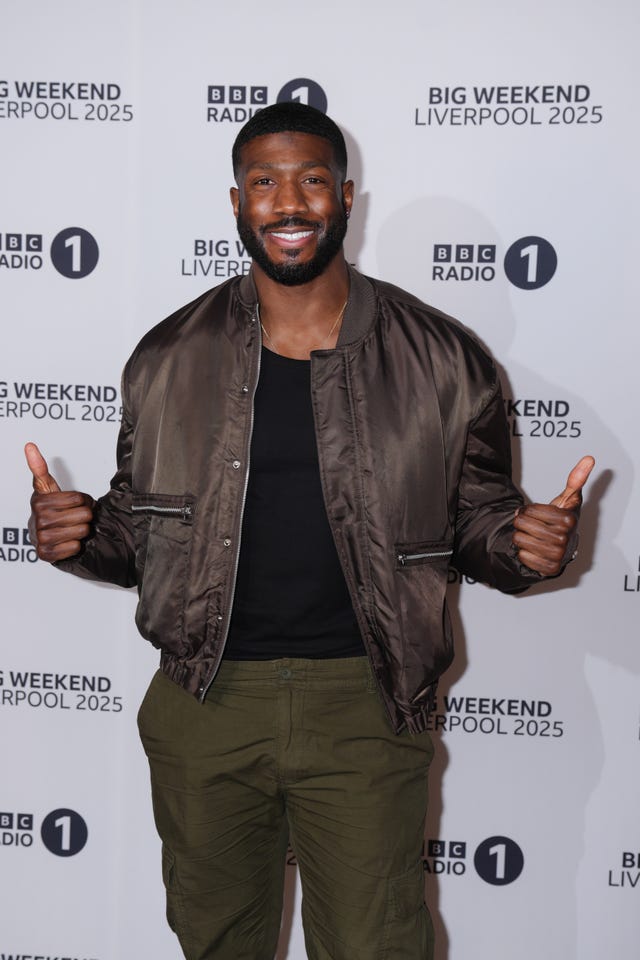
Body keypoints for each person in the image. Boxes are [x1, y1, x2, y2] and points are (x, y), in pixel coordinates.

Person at [25, 102, 594, 960]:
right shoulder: (167, 357)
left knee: (377, 947)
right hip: (203, 706)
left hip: (365, 704)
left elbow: (477, 519)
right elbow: (140, 538)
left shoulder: (444, 357)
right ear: (236, 201)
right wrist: (79, 534)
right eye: (264, 182)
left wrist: (522, 547)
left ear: (346, 196)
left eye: (311, 180)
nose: (288, 203)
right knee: (217, 942)